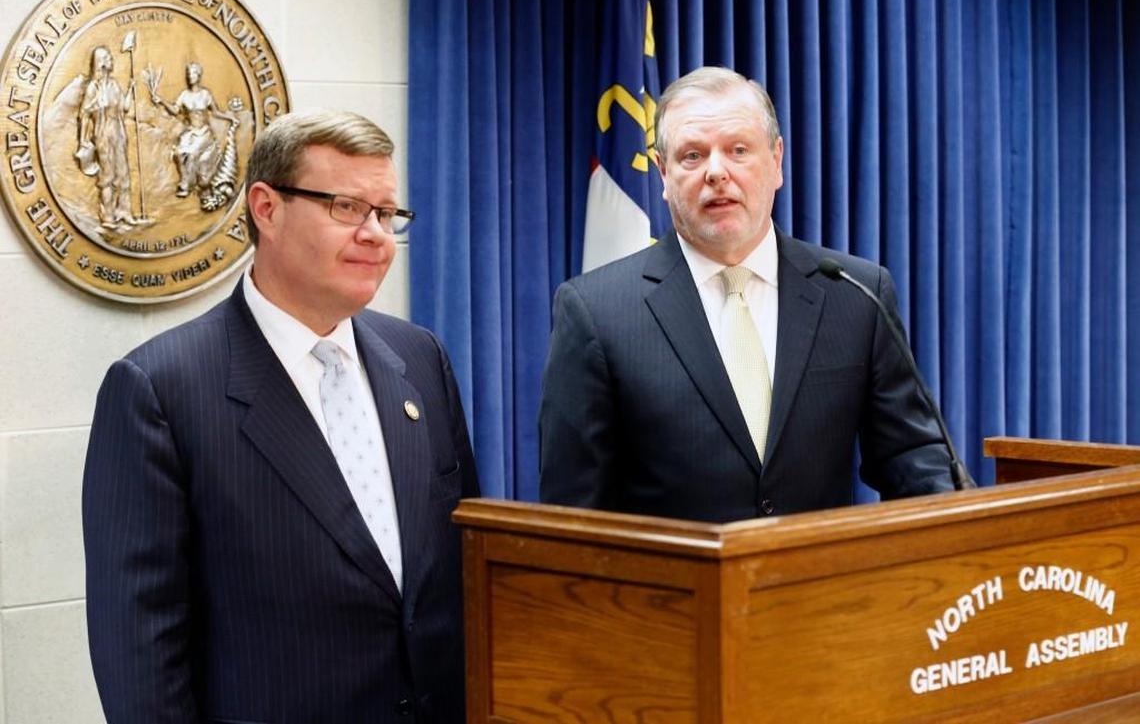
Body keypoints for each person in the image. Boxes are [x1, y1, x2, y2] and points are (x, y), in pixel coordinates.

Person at [83, 109, 479, 722]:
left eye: (387, 214)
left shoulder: (419, 357)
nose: (376, 234)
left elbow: (456, 574)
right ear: (266, 208)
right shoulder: (160, 390)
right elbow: (139, 646)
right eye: (347, 207)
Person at [539, 67, 953, 523]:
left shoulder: (855, 294)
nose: (717, 172)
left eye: (738, 150)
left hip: (821, 588)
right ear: (662, 172)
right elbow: (572, 518)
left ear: (776, 161)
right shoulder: (597, 312)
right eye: (693, 156)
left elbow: (914, 459)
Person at [148, 61, 237, 200]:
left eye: (193, 73)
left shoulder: (205, 94)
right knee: (178, 153)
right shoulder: (184, 95)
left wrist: (230, 117)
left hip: (204, 133)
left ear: (199, 75)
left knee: (192, 152)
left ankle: (185, 184)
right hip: (190, 133)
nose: (190, 76)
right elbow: (175, 110)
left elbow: (215, 112)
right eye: (188, 74)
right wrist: (161, 101)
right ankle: (185, 180)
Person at [76, 45, 135, 227]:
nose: (112, 60)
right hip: (103, 133)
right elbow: (83, 114)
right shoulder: (93, 88)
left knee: (123, 172)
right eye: (109, 58)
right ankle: (108, 215)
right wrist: (83, 140)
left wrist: (132, 89)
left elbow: (124, 108)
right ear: (101, 63)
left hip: (118, 131)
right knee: (107, 175)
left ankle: (124, 211)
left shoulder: (114, 85)